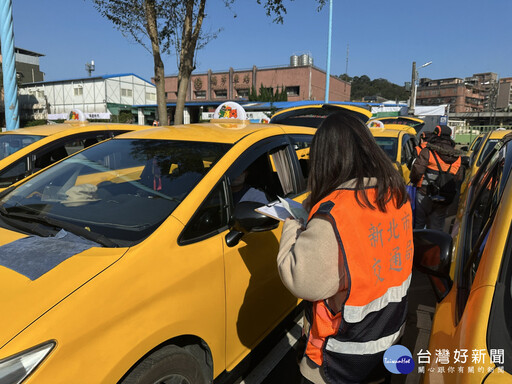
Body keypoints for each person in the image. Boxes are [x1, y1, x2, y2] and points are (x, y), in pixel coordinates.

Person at [277, 112, 413, 384]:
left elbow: (301, 280)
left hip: (341, 359)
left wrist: (293, 223)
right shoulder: (395, 195)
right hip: (388, 338)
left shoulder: (335, 213)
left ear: (326, 159)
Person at [410, 125, 463, 231]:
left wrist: (414, 182)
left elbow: (417, 171)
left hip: (424, 193)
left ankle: (419, 246)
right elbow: (458, 178)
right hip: (444, 196)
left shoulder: (428, 152)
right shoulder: (457, 157)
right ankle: (435, 246)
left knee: (419, 223)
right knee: (437, 226)